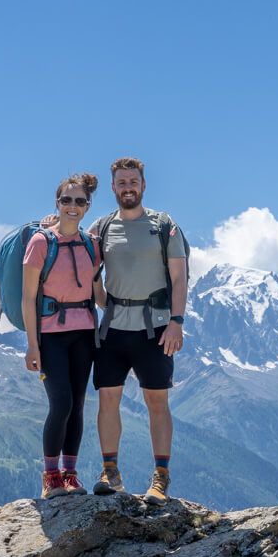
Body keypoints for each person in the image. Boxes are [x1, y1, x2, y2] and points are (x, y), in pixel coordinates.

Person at [90, 157, 187, 505]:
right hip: (113, 327)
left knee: (157, 401)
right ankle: (110, 472)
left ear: (143, 185)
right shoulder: (101, 228)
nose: (127, 187)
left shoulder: (163, 225)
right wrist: (52, 223)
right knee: (108, 399)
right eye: (121, 182)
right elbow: (80, 260)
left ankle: (160, 477)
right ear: (113, 187)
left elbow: (179, 277)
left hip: (156, 328)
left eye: (133, 181)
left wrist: (177, 321)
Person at [22, 173, 102, 499]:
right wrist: (31, 344)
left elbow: (99, 294)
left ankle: (70, 474)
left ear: (87, 206)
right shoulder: (41, 242)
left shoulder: (92, 245)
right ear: (57, 203)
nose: (72, 206)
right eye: (66, 200)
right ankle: (50, 477)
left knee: (78, 405)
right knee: (62, 403)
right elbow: (28, 297)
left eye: (79, 201)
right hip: (51, 335)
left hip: (84, 333)